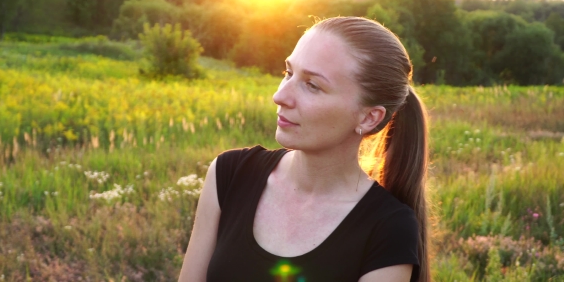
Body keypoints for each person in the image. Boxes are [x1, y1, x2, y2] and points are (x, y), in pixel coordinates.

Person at [178, 16, 430, 282]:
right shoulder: (229, 176)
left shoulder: (389, 228)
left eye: (312, 85)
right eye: (288, 73)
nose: (280, 96)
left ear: (369, 118)